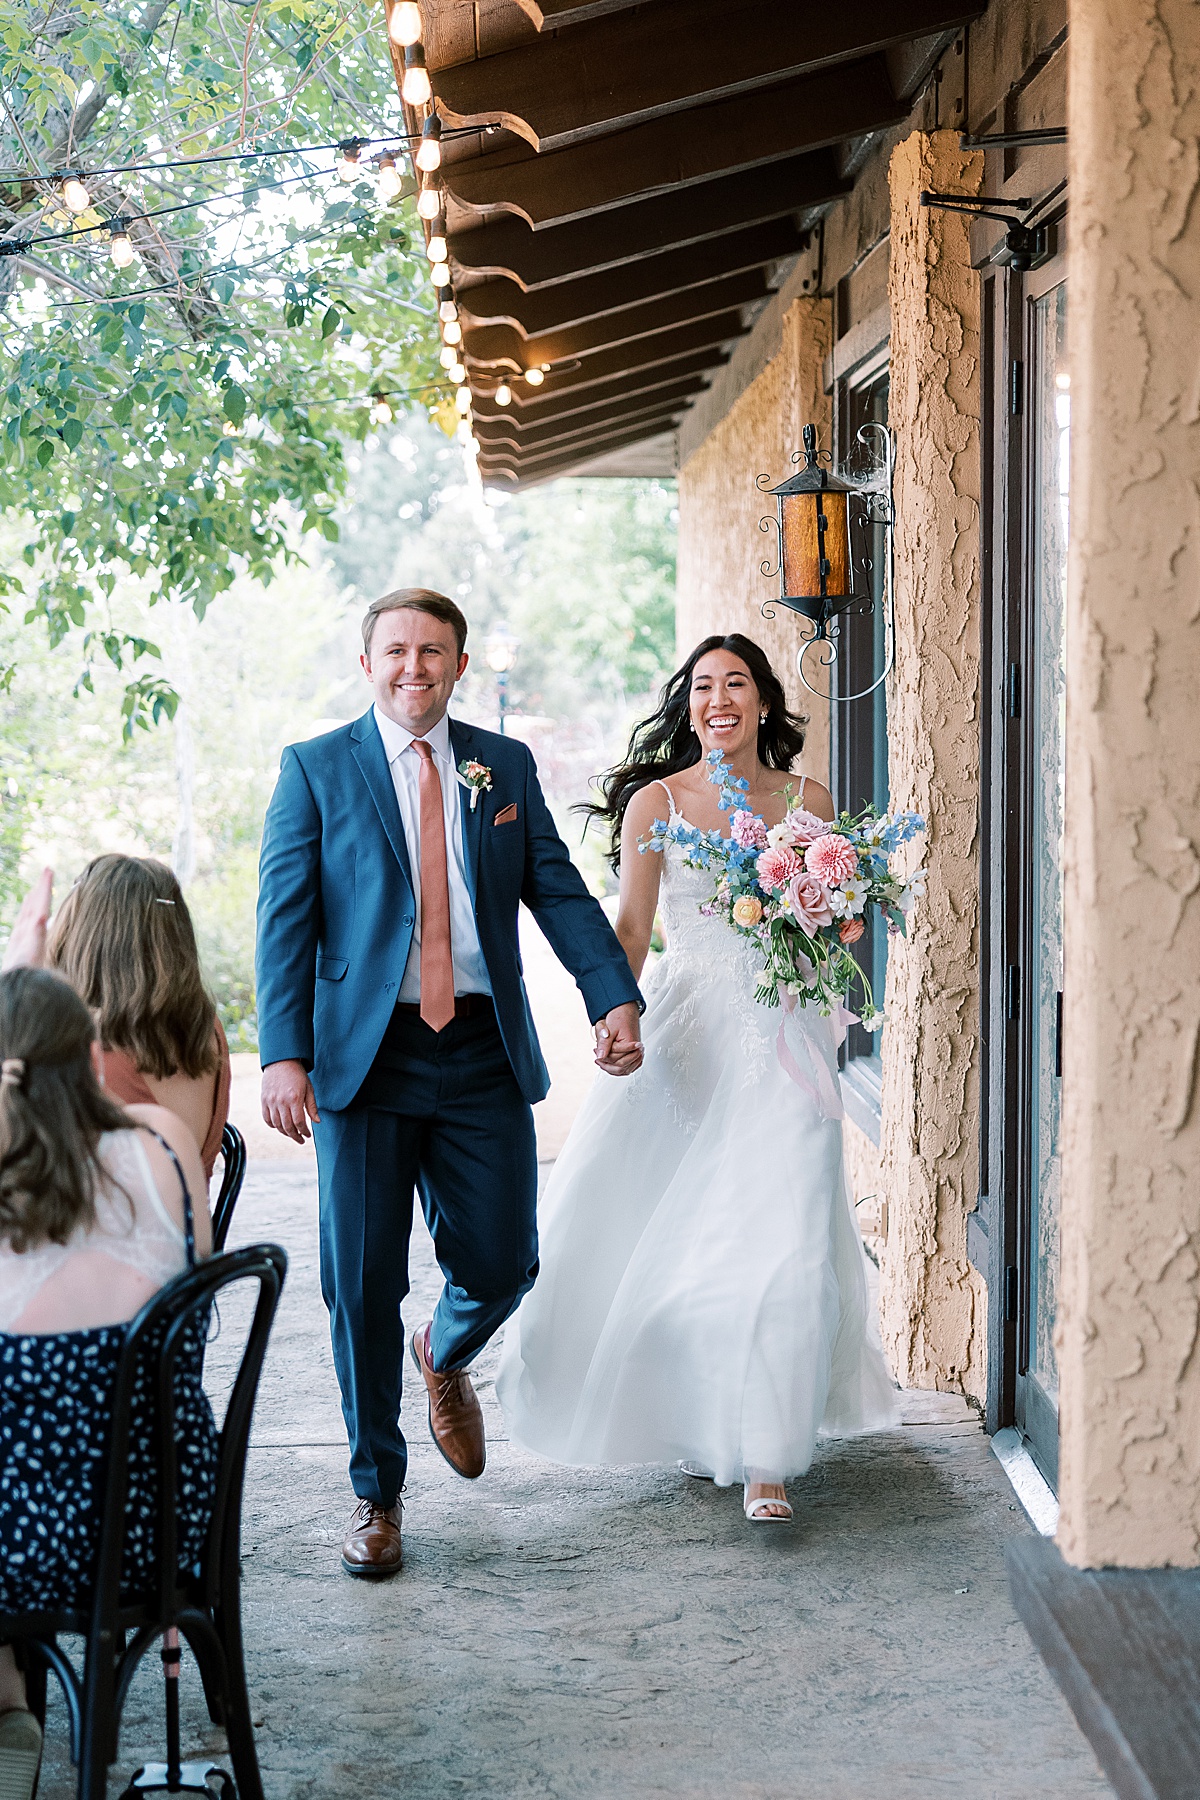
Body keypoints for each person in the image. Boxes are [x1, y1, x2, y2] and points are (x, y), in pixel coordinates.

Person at [255, 586, 644, 1579]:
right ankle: (375, 1495)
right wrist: (282, 1053)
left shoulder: (498, 763)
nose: (413, 668)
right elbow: (285, 921)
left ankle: (446, 1350)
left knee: (508, 1257)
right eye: (396, 651)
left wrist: (612, 993)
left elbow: (552, 885)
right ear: (367, 662)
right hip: (364, 1058)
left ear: (459, 665)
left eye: (434, 652)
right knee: (360, 1282)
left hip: (479, 1050)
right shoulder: (314, 771)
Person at [496, 634, 897, 1523]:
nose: (720, 699)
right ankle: (699, 1416)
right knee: (690, 1241)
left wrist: (829, 920)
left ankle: (766, 1459)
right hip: (691, 1037)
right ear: (688, 706)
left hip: (784, 1042)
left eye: (738, 684)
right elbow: (634, 927)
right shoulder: (657, 803)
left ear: (763, 703)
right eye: (704, 686)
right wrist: (615, 1013)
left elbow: (837, 933)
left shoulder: (809, 802)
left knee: (786, 1244)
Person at [0, 965, 215, 1800]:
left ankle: (9, 1704)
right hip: (158, 1527)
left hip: (23, 1550)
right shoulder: (161, 1146)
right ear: (93, 1062)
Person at [2, 858, 231, 1183]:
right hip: (186, 1229)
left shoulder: (79, 1041)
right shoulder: (205, 1027)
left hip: (92, 1228)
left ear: (82, 934)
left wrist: (17, 979)